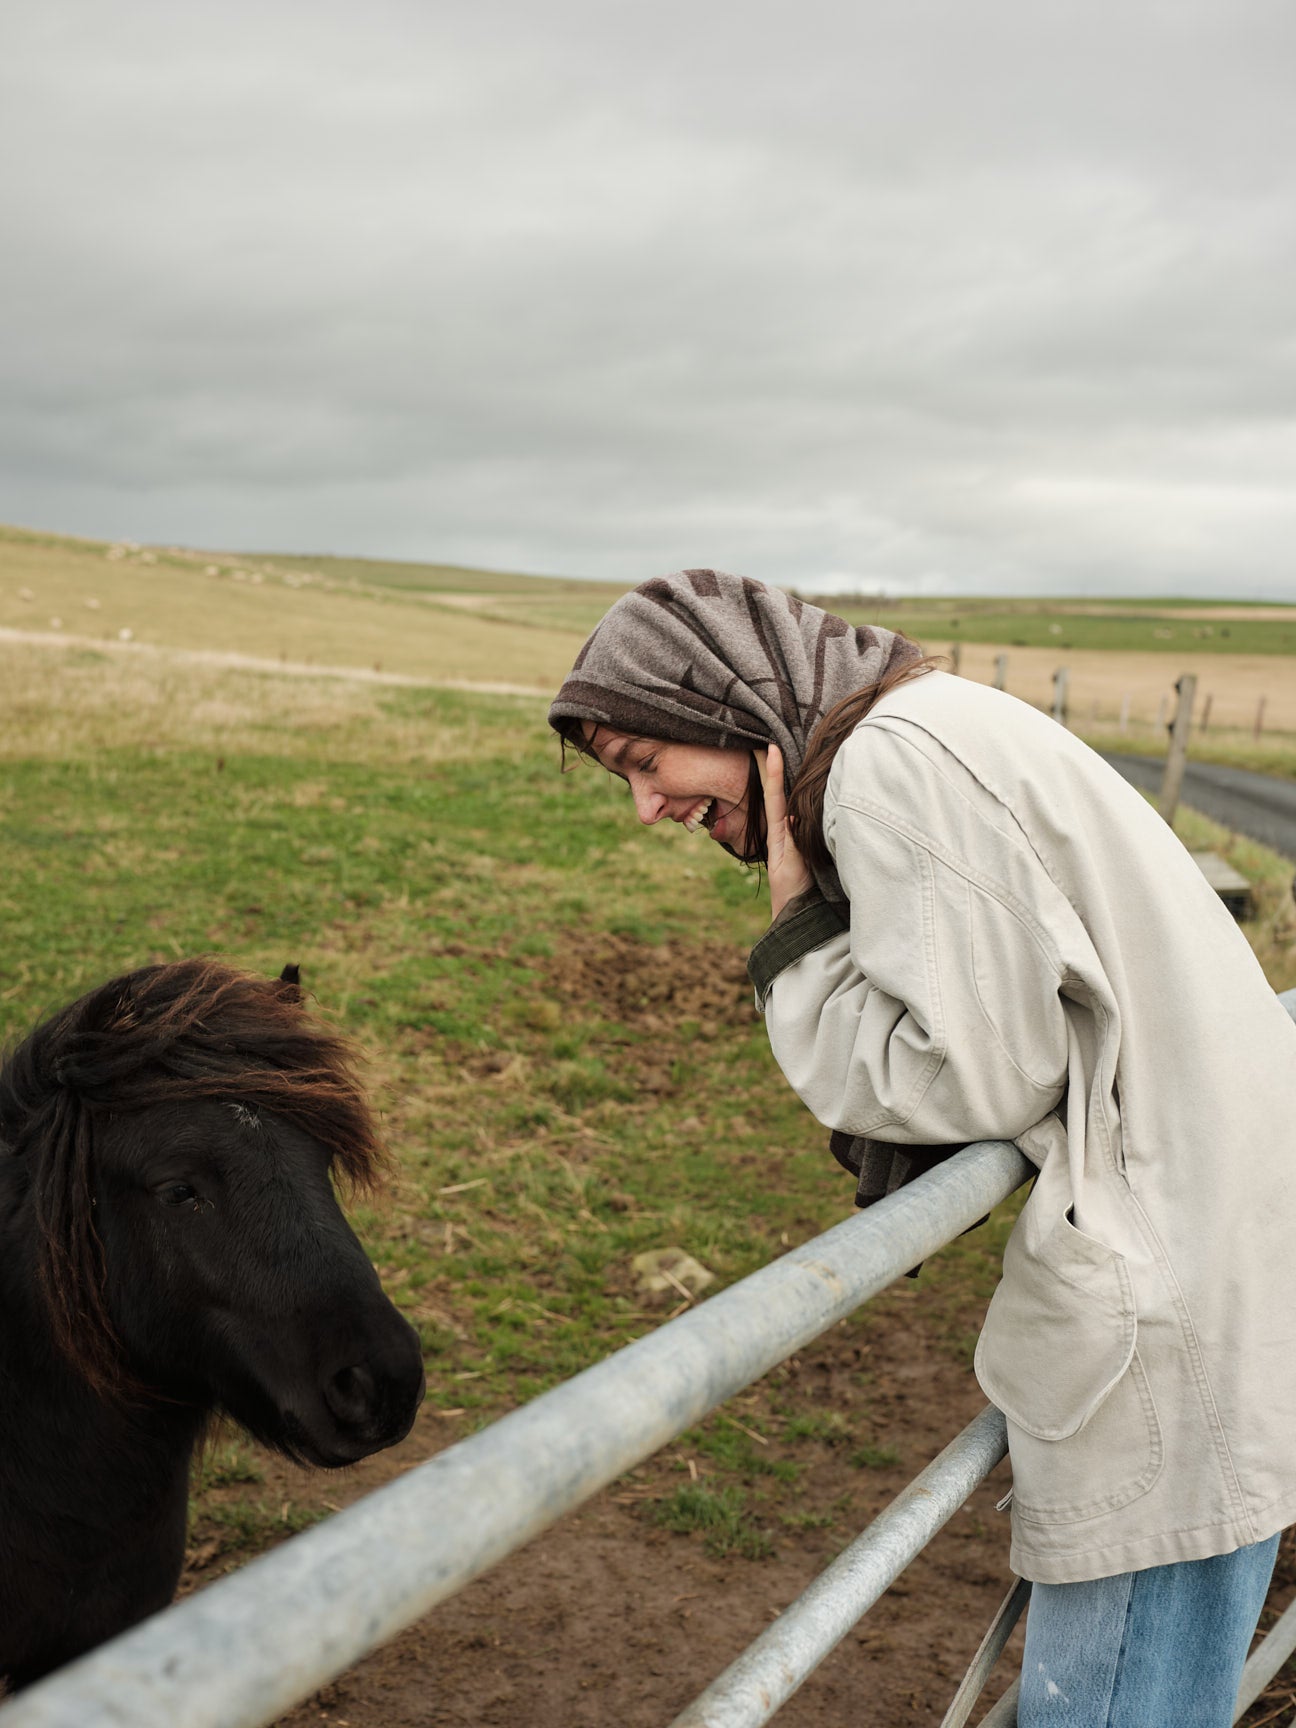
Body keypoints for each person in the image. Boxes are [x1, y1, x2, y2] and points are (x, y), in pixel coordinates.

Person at [549, 567, 1296, 1728]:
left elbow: (978, 1073)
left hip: (1174, 1303)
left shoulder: (887, 768)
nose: (645, 808)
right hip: (1221, 1258)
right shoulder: (933, 720)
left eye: (647, 763)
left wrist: (801, 941)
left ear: (727, 705)